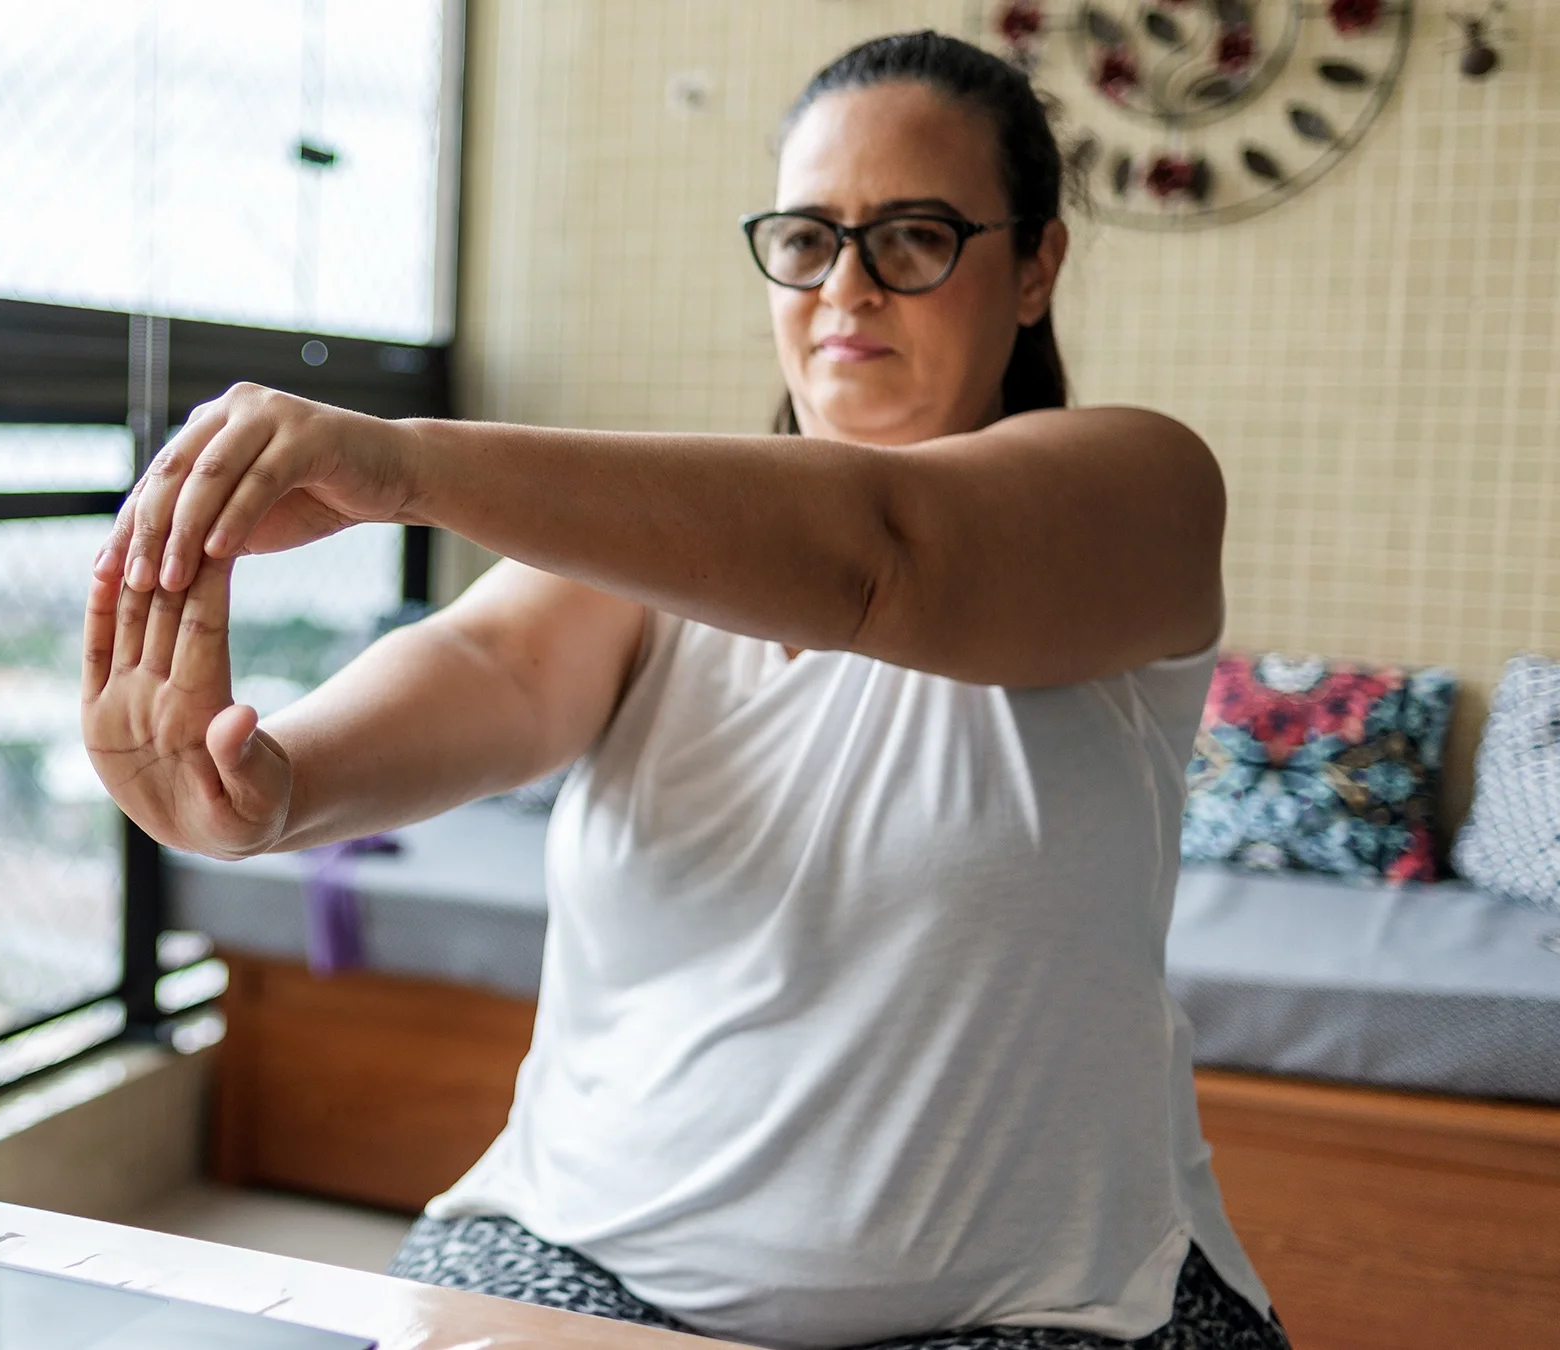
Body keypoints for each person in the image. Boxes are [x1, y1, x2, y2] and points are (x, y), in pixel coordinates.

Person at [79, 29, 1289, 1350]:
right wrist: (270, 786)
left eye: (914, 238)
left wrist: (405, 462)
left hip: (1049, 1310)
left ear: (1035, 266)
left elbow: (878, 555)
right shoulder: (649, 550)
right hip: (572, 1254)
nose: (847, 288)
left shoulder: (1144, 488)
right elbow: (491, 660)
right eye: (808, 237)